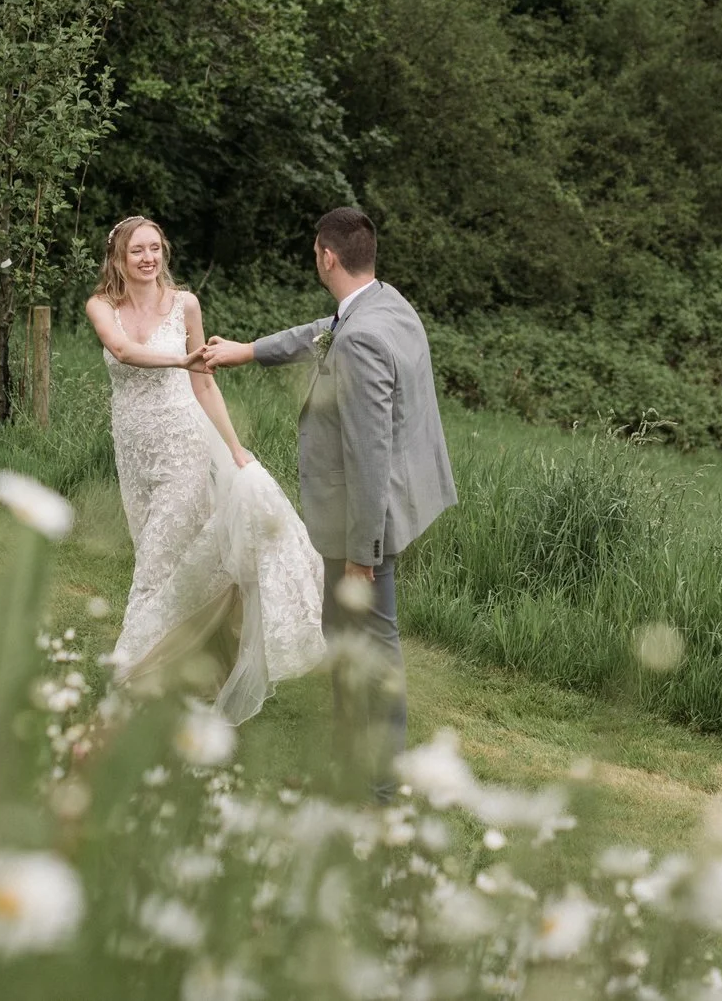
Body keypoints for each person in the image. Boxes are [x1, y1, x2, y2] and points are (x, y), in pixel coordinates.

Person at [200, 207, 456, 797]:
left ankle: (381, 792)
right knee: (342, 635)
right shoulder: (384, 302)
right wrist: (248, 350)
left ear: (327, 257)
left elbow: (370, 454)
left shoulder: (362, 338)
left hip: (364, 522)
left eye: (316, 251)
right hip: (384, 508)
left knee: (374, 648)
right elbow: (323, 330)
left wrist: (364, 557)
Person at [83, 216, 323, 724]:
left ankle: (128, 674)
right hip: (133, 449)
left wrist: (235, 448)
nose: (148, 259)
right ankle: (198, 667)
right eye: (136, 252)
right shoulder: (102, 306)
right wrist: (180, 360)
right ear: (119, 259)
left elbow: (204, 384)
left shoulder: (186, 305)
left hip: (184, 445)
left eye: (155, 249)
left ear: (164, 252)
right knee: (159, 549)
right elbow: (123, 350)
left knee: (156, 559)